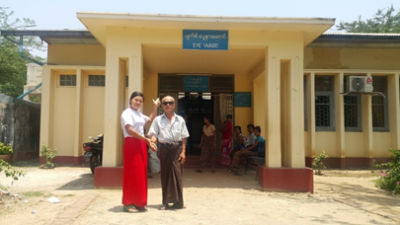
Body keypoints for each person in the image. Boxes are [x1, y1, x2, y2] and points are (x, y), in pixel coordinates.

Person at [120, 91, 160, 213]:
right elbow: (130, 130)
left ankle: (139, 202)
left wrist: (155, 106)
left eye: (140, 101)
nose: (138, 102)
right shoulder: (126, 113)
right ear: (131, 100)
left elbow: (151, 119)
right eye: (136, 100)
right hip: (131, 144)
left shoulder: (138, 114)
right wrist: (146, 140)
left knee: (141, 173)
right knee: (131, 173)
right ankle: (128, 203)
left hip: (141, 145)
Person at [147, 96, 189, 210]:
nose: (168, 105)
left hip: (177, 149)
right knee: (165, 175)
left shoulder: (180, 120)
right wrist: (152, 141)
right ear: (162, 106)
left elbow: (184, 136)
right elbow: (153, 134)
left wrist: (183, 152)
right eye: (165, 103)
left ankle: (179, 202)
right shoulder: (157, 120)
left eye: (170, 103)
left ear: (174, 105)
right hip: (164, 149)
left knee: (177, 175)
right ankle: (165, 202)